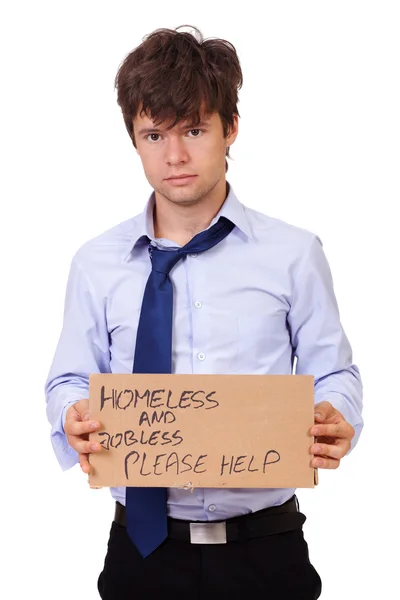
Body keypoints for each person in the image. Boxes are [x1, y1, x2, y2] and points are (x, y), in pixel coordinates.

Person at [45, 25, 363, 600]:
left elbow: (335, 373)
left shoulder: (294, 254)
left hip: (267, 552)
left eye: (194, 129)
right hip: (141, 554)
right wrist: (73, 415)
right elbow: (68, 377)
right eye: (153, 134)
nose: (175, 156)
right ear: (133, 141)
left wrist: (334, 415)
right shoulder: (96, 263)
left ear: (230, 128)